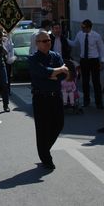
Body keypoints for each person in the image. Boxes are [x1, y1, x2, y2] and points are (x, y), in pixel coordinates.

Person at [27, 31, 68, 170]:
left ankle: (44, 149)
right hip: (41, 97)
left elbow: (65, 73)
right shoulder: (33, 59)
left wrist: (52, 74)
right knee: (43, 128)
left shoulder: (55, 56)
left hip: (55, 96)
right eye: (44, 41)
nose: (47, 43)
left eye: (48, 40)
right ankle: (46, 158)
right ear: (37, 43)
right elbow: (42, 72)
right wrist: (55, 71)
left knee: (59, 124)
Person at [71, 19, 104, 108]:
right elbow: (74, 44)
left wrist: (102, 61)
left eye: (84, 27)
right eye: (81, 27)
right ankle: (86, 101)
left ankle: (99, 102)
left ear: (89, 27)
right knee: (85, 81)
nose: (82, 28)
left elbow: (102, 48)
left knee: (96, 81)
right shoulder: (80, 34)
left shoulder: (96, 36)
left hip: (94, 60)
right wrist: (65, 39)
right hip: (84, 60)